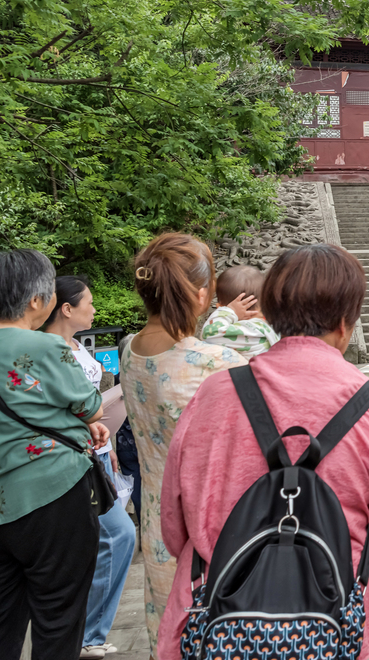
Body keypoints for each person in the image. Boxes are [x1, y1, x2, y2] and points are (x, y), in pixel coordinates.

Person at [157, 244, 369, 660]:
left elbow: (175, 521)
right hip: (333, 619)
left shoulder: (214, 394)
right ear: (345, 323)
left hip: (217, 617)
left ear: (271, 314)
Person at [0, 252, 109, 659]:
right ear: (37, 301)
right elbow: (91, 406)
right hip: (54, 495)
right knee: (58, 617)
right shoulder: (45, 345)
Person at [121, 234, 246, 655]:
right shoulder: (216, 363)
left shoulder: (129, 351)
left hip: (157, 520)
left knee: (170, 630)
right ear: (200, 294)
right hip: (211, 527)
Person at [42, 276, 138, 660]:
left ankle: (85, 633)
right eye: (89, 303)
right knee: (118, 535)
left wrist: (109, 447)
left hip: (97, 452)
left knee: (108, 539)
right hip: (72, 457)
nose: (95, 310)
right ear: (67, 308)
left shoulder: (77, 345)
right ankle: (87, 634)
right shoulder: (46, 350)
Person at [200, 265, 281, 358]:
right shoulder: (272, 323)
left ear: (221, 305)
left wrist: (228, 311)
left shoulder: (250, 329)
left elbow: (208, 334)